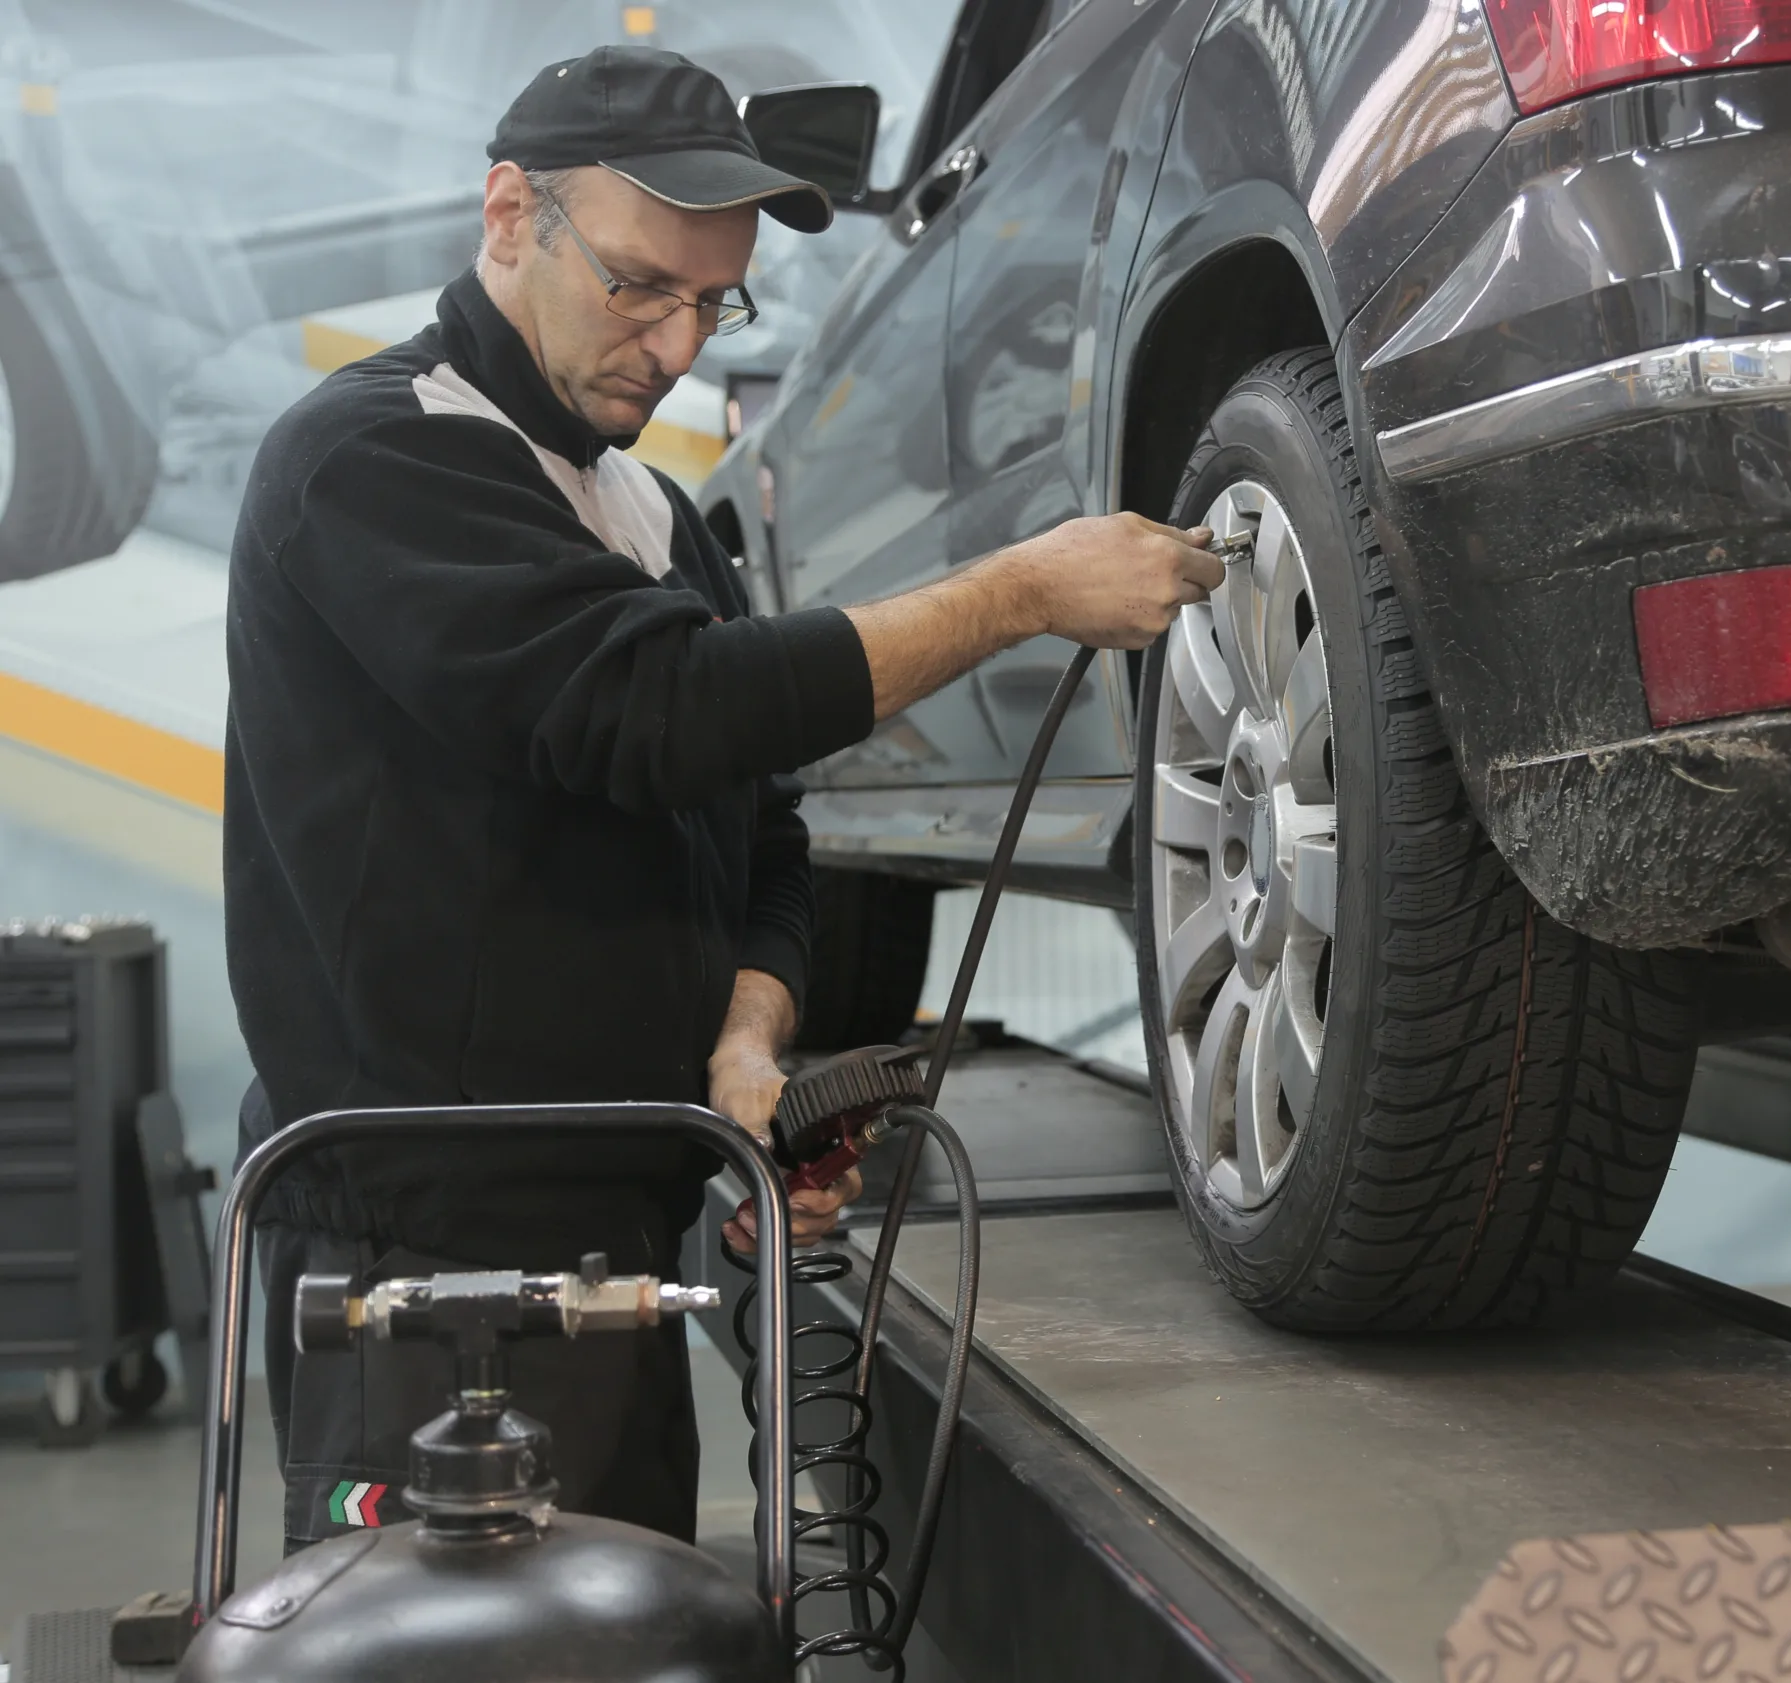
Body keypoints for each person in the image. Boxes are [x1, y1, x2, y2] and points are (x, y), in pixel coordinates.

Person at [224, 45, 1220, 1550]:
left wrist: (745, 1045)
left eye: (715, 302)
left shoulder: (651, 513)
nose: (678, 343)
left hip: (617, 1235)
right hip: (421, 1264)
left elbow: (760, 831)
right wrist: (1020, 589)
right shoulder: (372, 457)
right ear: (510, 216)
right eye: (639, 287)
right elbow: (652, 708)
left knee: (629, 1639)